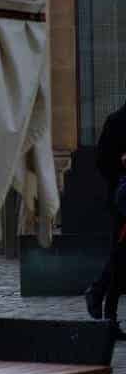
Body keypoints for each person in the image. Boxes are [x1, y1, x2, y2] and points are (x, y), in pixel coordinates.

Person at [85, 100, 126, 330]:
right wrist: (122, 164)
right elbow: (103, 162)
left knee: (120, 256)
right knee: (120, 255)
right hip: (123, 201)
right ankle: (106, 311)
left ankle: (99, 294)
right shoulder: (116, 121)